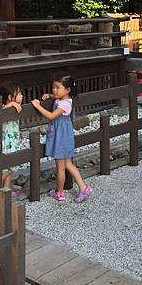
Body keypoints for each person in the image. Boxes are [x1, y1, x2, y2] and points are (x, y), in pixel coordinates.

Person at [31, 74, 93, 203]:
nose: (54, 90)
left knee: (60, 167)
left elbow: (51, 116)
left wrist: (38, 105)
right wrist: (50, 96)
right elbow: (57, 97)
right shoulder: (63, 99)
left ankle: (59, 193)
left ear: (67, 90)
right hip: (64, 135)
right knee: (68, 164)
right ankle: (84, 188)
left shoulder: (65, 104)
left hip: (61, 137)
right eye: (53, 87)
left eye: (57, 88)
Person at [0, 81, 23, 198]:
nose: (22, 96)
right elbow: (1, 111)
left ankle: (6, 190)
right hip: (7, 143)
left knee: (11, 167)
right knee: (6, 169)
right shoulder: (5, 108)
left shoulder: (16, 108)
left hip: (13, 141)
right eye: (19, 94)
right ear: (10, 97)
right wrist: (11, 104)